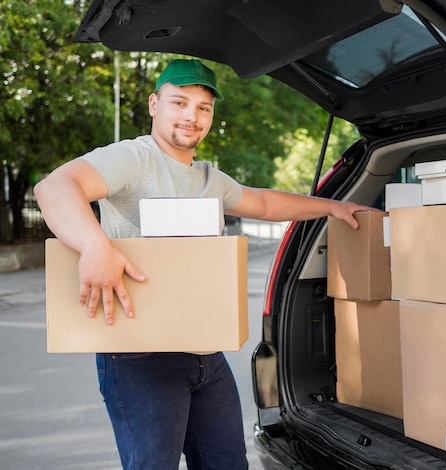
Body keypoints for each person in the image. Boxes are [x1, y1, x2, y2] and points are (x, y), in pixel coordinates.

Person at [34, 58, 375, 470]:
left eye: (203, 108)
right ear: (154, 104)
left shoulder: (208, 178)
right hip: (141, 353)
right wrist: (94, 246)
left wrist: (333, 207)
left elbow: (265, 201)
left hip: (205, 353)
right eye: (179, 103)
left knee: (227, 464)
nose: (191, 117)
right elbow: (54, 187)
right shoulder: (134, 158)